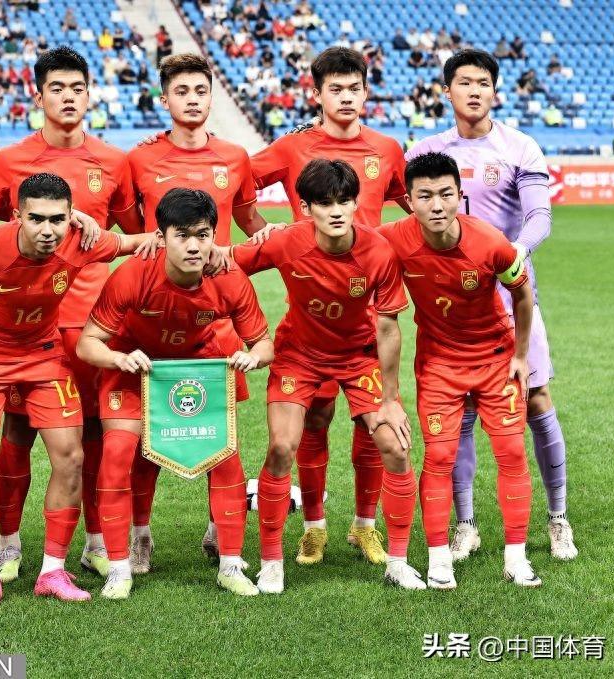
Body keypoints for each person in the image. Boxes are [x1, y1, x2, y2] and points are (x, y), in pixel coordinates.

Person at [0, 173, 153, 609]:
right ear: (17, 216)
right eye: (36, 219)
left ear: (71, 216)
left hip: (43, 353)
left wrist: (196, 245)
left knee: (71, 457)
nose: (48, 229)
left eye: (57, 219)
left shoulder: (81, 241)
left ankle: (52, 571)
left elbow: (137, 242)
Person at [0, 47, 143, 585]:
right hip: (25, 330)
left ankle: (94, 542)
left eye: (77, 88)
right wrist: (51, 223)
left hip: (93, 328)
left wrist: (92, 228)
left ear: (90, 95)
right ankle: (8, 543)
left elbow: (133, 236)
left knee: (89, 438)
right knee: (17, 434)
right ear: (38, 95)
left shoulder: (114, 161)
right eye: (57, 88)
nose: (68, 97)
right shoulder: (10, 161)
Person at [407, 49, 577, 560]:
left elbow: (539, 216)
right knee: (459, 411)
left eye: (483, 82)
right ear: (447, 91)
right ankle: (466, 524)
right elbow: (412, 215)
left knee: (536, 398)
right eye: (464, 82)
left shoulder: (519, 146)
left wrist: (511, 256)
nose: (475, 90)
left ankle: (558, 518)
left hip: (511, 294)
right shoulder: (427, 152)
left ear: (495, 91)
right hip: (452, 305)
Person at [248, 47, 411, 567]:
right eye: (334, 89)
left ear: (366, 91)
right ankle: (314, 527)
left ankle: (365, 527)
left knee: (372, 428)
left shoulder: (387, 148)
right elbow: (237, 182)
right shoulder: (293, 146)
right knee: (314, 420)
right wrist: (263, 230)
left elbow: (414, 205)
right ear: (316, 94)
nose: (344, 97)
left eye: (353, 88)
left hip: (367, 316)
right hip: (311, 315)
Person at [232, 159, 423, 591]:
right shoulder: (287, 241)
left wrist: (390, 399)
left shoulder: (378, 251)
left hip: (358, 356)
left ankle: (394, 558)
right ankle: (276, 558)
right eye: (324, 203)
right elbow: (226, 265)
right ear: (305, 208)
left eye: (344, 201)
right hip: (299, 355)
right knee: (282, 446)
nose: (336, 211)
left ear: (356, 203)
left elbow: (389, 329)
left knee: (394, 445)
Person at [77, 188, 273, 599]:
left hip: (195, 368)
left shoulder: (228, 278)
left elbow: (264, 344)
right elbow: (88, 343)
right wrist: (119, 359)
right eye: (182, 236)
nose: (193, 246)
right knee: (118, 453)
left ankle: (230, 564)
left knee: (226, 456)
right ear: (162, 237)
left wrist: (253, 357)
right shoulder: (134, 274)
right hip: (135, 365)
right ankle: (121, 565)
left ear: (214, 236)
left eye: (202, 235)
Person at [126, 53, 271, 569]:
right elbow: (133, 229)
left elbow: (250, 221)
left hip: (217, 320)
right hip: (155, 314)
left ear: (212, 96)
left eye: (200, 91)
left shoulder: (235, 157)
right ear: (164, 99)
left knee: (219, 432)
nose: (192, 100)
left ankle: (219, 532)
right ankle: (139, 536)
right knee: (147, 436)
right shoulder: (139, 159)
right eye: (181, 91)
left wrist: (279, 242)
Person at [380, 152, 540, 589]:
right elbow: (345, 238)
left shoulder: (490, 242)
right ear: (409, 199)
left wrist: (521, 355)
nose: (436, 205)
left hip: (495, 360)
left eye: (445, 194)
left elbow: (523, 294)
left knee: (512, 452)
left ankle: (516, 558)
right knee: (439, 456)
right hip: (438, 366)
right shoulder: (393, 239)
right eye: (425, 196)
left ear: (460, 195)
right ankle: (438, 560)